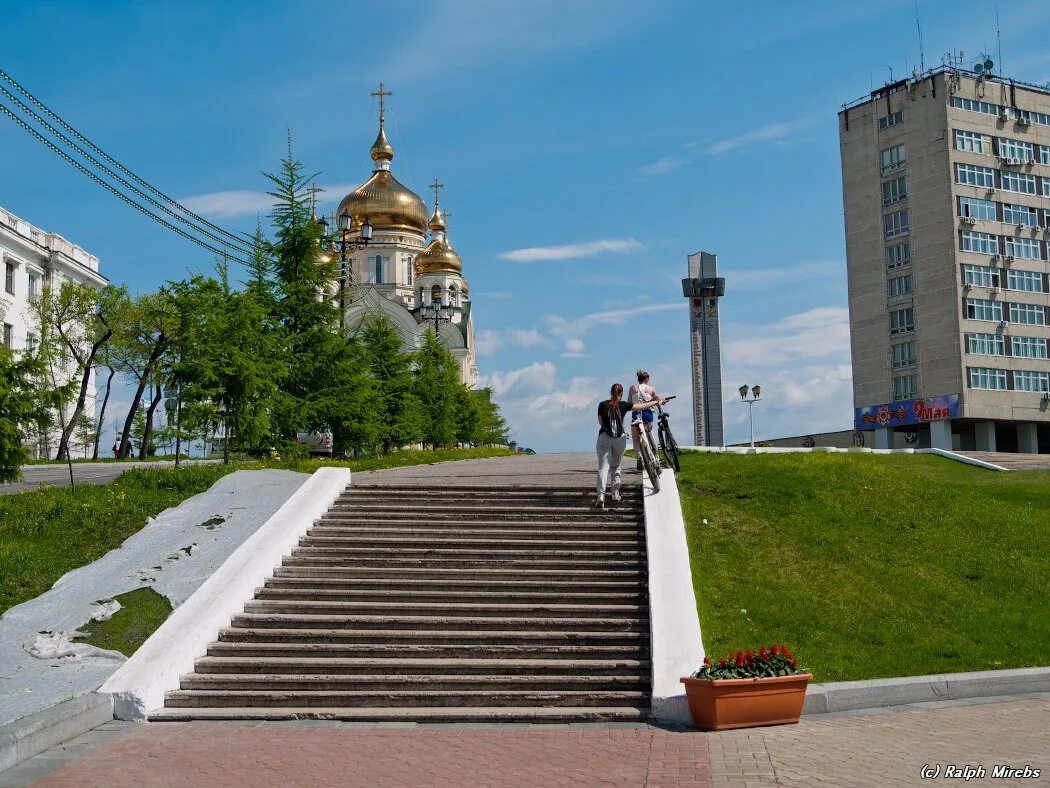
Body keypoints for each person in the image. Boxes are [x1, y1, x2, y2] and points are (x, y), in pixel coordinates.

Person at [596, 382, 664, 508]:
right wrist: (656, 402)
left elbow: (600, 422)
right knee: (616, 467)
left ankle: (600, 496)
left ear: (610, 393)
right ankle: (615, 494)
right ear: (621, 394)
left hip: (604, 438)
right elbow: (642, 406)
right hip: (619, 439)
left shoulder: (602, 405)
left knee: (603, 468)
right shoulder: (623, 405)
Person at [628, 370, 661, 471]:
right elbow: (657, 400)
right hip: (647, 414)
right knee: (649, 435)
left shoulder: (632, 388)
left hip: (636, 414)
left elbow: (629, 402)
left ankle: (640, 458)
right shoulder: (651, 388)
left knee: (636, 439)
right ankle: (655, 457)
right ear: (647, 379)